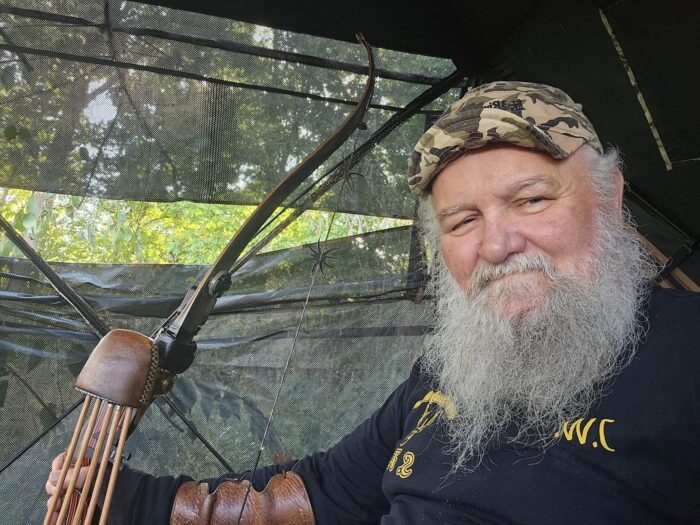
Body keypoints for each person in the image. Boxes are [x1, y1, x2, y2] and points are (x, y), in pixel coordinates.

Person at [47, 81, 700, 524]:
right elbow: (318, 493)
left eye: (532, 199)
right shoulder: (449, 373)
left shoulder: (687, 354)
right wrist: (122, 497)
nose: (498, 242)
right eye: (463, 219)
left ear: (609, 198)